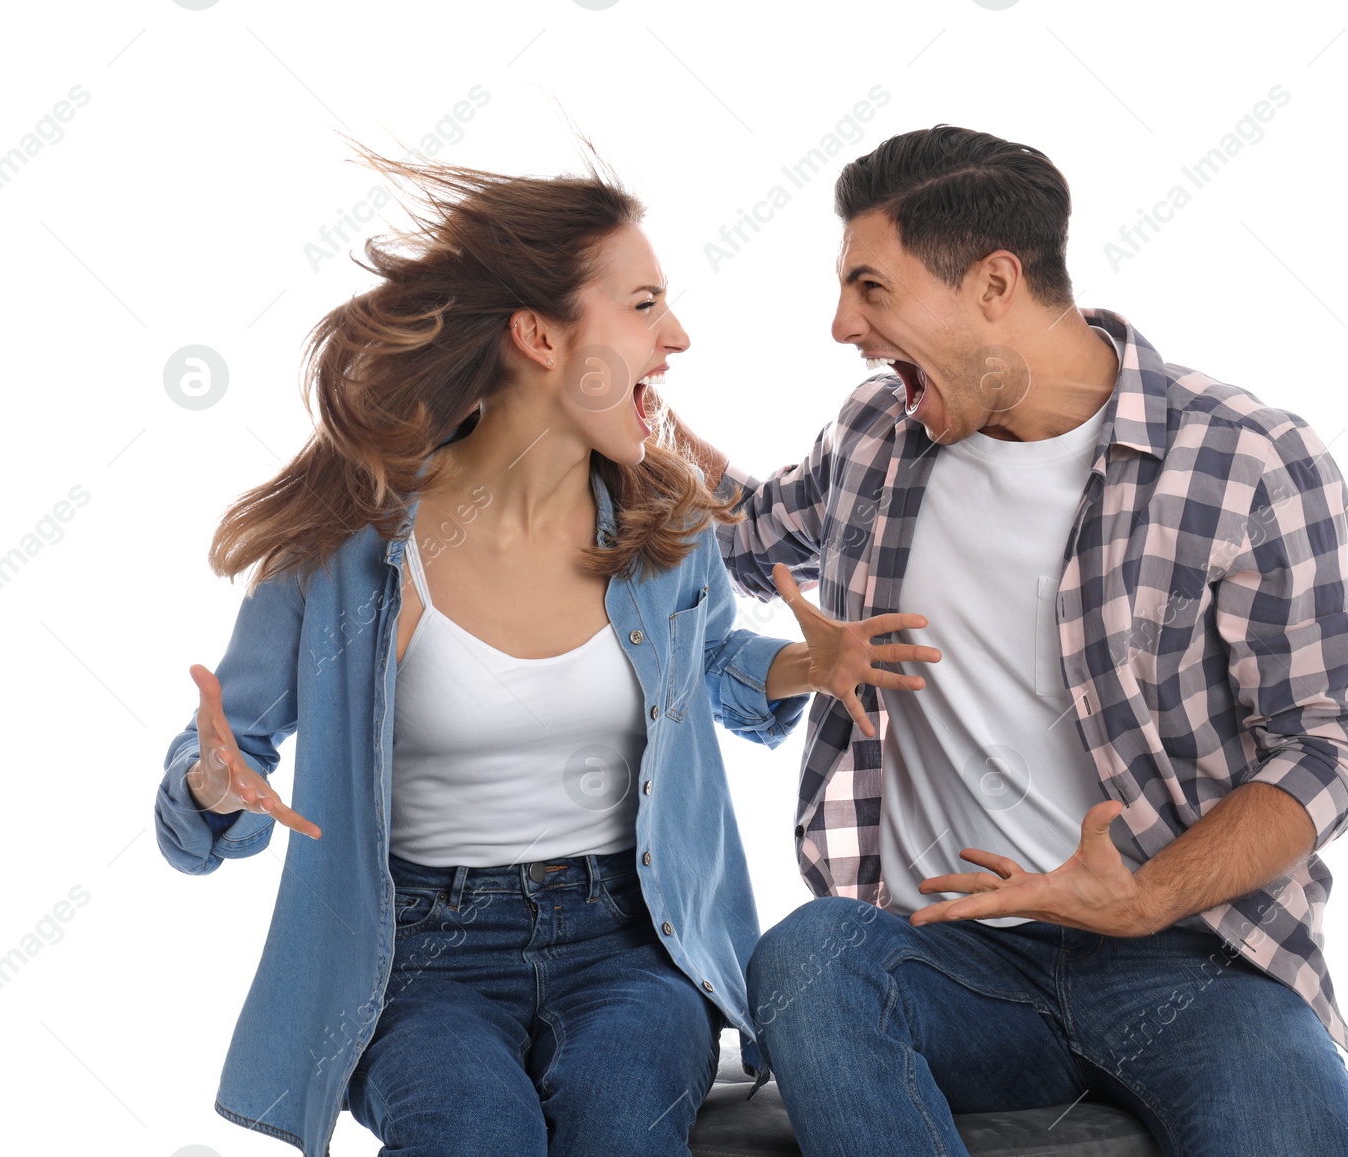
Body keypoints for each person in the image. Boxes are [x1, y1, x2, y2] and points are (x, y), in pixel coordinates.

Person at [152, 146, 939, 1157]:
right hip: (418, 955)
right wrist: (217, 784)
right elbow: (224, 758)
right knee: (471, 1130)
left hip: (627, 936)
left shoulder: (662, 524)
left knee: (623, 1124)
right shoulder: (348, 549)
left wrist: (802, 667)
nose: (678, 337)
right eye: (645, 304)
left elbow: (700, 668)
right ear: (537, 335)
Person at [675, 125, 1348, 1156]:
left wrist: (1146, 895)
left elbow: (1325, 743)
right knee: (812, 954)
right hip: (942, 958)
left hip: (1183, 961)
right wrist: (653, 462)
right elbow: (755, 537)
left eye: (871, 287)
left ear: (995, 283)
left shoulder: (1244, 460)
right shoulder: (878, 434)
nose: (842, 325)